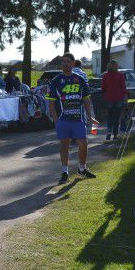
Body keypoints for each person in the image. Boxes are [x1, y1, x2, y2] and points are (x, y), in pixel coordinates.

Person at [47, 52, 97, 184]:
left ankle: (82, 168)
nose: (65, 64)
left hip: (78, 120)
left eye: (68, 61)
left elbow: (86, 100)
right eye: (63, 62)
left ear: (73, 63)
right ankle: (64, 171)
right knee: (64, 146)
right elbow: (51, 103)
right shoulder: (56, 81)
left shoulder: (80, 79)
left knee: (83, 144)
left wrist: (90, 116)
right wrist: (56, 121)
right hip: (63, 120)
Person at [101, 60, 127, 141]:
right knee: (117, 117)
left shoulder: (105, 75)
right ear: (117, 66)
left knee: (110, 116)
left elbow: (103, 87)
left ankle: (109, 132)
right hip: (119, 98)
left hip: (109, 98)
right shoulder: (120, 75)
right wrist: (125, 97)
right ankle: (115, 134)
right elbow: (123, 87)